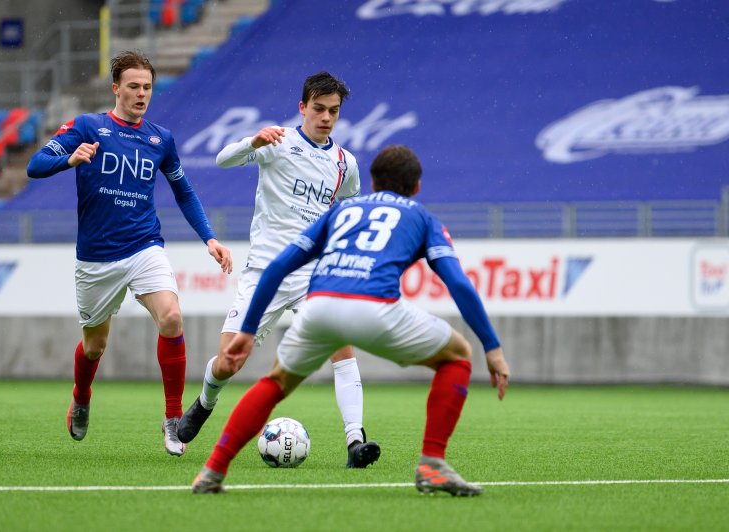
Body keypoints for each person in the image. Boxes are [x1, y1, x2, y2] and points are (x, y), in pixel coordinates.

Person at [190, 145, 510, 496]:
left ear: (372, 182)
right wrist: (492, 347)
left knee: (275, 382)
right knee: (458, 354)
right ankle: (432, 464)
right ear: (416, 187)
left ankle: (213, 471)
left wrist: (248, 332)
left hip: (320, 306)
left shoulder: (342, 210)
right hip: (376, 309)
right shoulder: (422, 217)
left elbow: (279, 267)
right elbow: (459, 283)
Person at [26, 50, 232, 457]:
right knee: (94, 347)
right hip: (96, 258)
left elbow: (184, 192)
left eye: (147, 87)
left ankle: (173, 420)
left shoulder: (161, 139)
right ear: (116, 87)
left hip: (144, 245)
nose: (141, 94)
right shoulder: (87, 126)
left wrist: (208, 237)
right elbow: (35, 164)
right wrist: (69, 158)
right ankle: (82, 395)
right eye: (134, 86)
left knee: (172, 317)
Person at [177, 72, 380, 468]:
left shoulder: (345, 163)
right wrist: (252, 141)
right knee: (229, 360)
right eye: (318, 109)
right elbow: (222, 160)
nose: (325, 117)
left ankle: (356, 441)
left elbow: (347, 204)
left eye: (333, 111)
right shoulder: (277, 143)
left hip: (312, 275)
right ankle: (204, 403)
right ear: (302, 107)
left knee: (342, 349)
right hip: (265, 271)